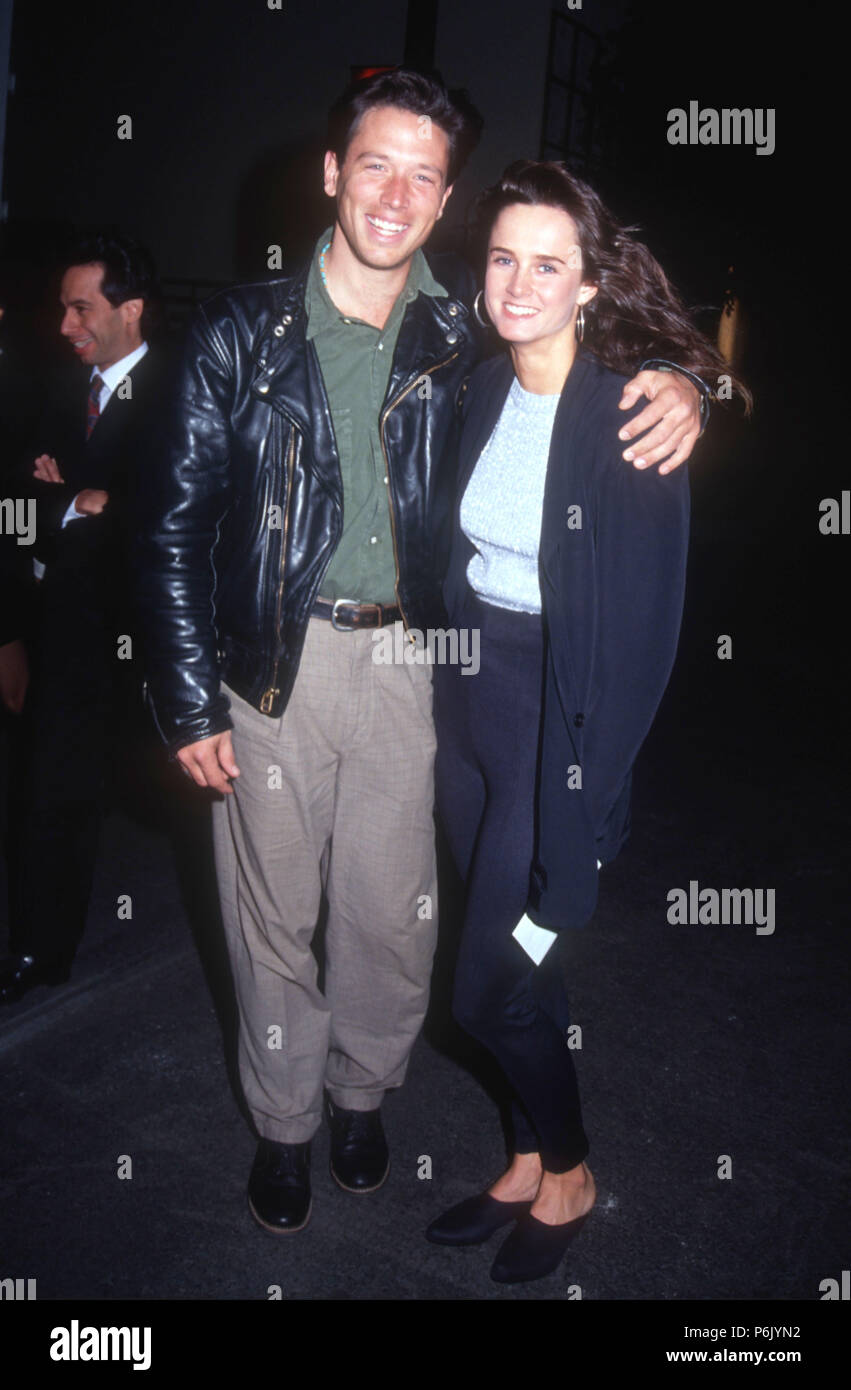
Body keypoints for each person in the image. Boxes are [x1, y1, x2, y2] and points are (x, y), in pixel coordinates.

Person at [134, 69, 706, 1238]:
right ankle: (287, 1125)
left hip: (415, 664)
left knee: (394, 921)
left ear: (444, 201)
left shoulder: (459, 334)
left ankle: (359, 1099)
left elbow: (594, 369)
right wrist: (185, 696)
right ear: (333, 174)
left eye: (425, 175)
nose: (396, 194)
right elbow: (170, 523)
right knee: (271, 919)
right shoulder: (240, 330)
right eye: (375, 164)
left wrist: (698, 381)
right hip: (268, 668)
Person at [425, 160, 750, 1283]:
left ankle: (569, 1168)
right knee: (507, 957)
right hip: (466, 705)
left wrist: (590, 799)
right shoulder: (477, 385)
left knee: (485, 982)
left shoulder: (630, 413)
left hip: (553, 728)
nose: (518, 282)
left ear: (587, 286)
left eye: (546, 264)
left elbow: (647, 639)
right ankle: (520, 1156)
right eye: (503, 257)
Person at [0, 231, 165, 1005]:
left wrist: (74, 502)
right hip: (65, 634)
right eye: (62, 308)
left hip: (151, 643)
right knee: (49, 798)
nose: (65, 326)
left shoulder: (179, 394)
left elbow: (172, 521)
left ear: (130, 311)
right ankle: (41, 949)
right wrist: (73, 501)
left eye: (81, 308)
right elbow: (9, 512)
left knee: (176, 815)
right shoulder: (56, 388)